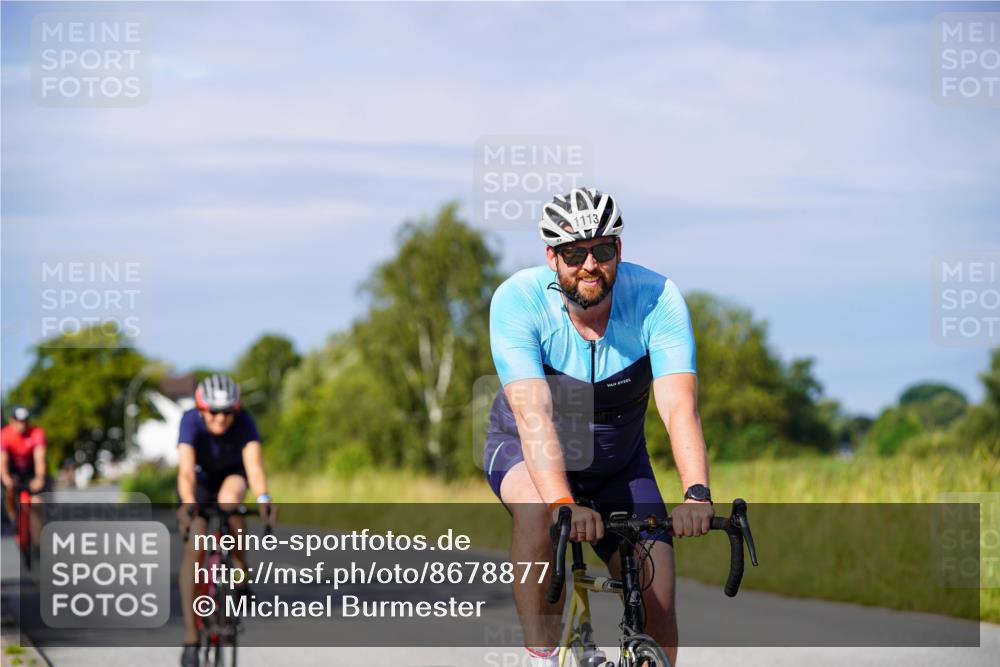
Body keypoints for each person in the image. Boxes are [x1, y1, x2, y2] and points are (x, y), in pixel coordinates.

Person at [484, 187, 714, 667]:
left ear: (619, 251)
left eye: (603, 250)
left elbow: (679, 408)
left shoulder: (657, 299)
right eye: (574, 253)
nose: (590, 265)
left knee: (659, 595)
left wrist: (696, 493)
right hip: (527, 449)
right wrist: (562, 501)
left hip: (618, 462)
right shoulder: (517, 301)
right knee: (539, 515)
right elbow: (533, 415)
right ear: (552, 257)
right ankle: (541, 656)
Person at [175, 374, 274, 667]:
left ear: (236, 410)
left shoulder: (245, 422)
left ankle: (241, 572)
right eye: (214, 412)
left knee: (231, 502)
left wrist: (264, 499)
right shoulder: (189, 421)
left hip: (232, 477)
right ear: (202, 409)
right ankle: (191, 638)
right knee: (195, 551)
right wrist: (188, 503)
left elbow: (254, 468)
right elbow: (185, 472)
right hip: (200, 483)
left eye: (228, 412)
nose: (221, 419)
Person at [1, 406, 50, 546]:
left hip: (31, 471)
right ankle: (14, 518)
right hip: (13, 471)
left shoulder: (37, 433)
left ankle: (38, 539)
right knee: (9, 491)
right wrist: (5, 477)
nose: (22, 424)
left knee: (37, 502)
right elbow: (2, 460)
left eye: (25, 421)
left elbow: (39, 458)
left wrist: (40, 477)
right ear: (12, 421)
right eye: (18, 421)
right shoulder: (4, 435)